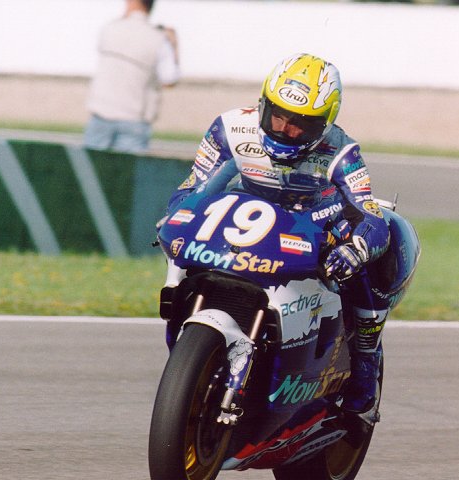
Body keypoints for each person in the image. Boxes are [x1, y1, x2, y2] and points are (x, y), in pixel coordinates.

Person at [165, 53, 392, 429]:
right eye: (277, 116)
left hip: (314, 222)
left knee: (364, 267)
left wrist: (356, 249)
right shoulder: (229, 128)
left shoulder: (342, 152)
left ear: (323, 124)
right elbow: (194, 186)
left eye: (299, 125)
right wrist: (177, 215)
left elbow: (371, 215)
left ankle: (366, 362)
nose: (285, 129)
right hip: (247, 215)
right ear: (263, 104)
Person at [84, 0, 180, 153]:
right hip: (134, 118)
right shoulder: (159, 38)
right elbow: (170, 79)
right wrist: (174, 44)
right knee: (128, 168)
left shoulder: (110, 29)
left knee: (91, 167)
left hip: (101, 113)